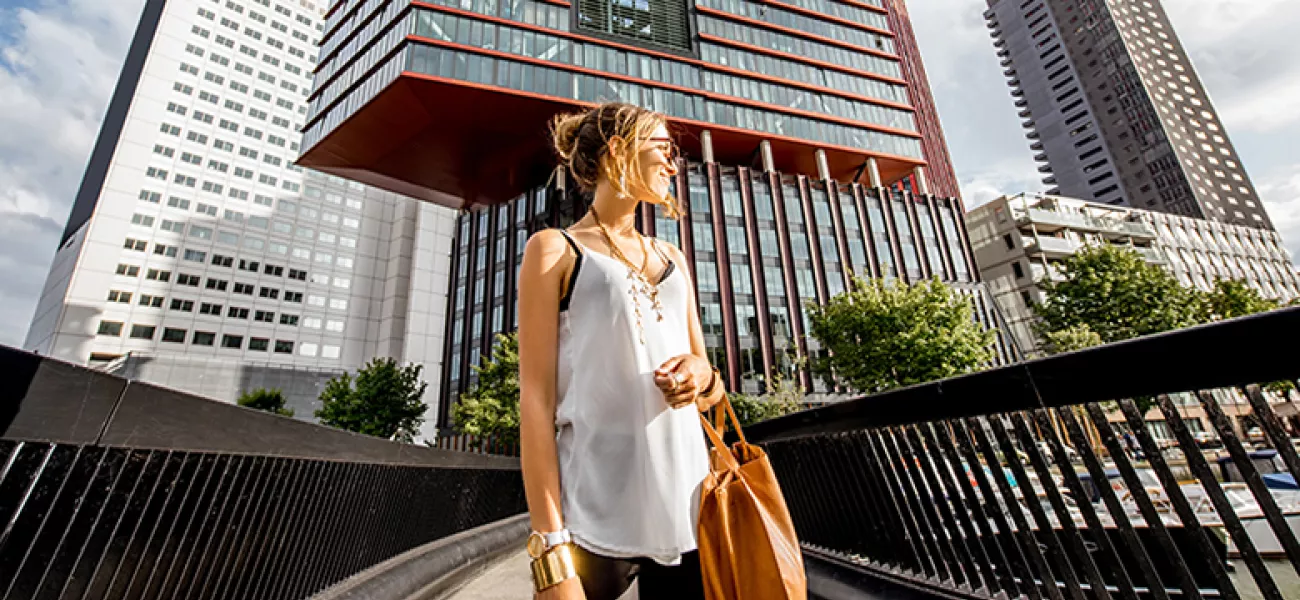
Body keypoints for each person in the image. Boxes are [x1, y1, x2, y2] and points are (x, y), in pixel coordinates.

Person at [517, 102, 726, 600]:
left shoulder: (672, 257)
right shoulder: (555, 249)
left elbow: (710, 386)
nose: (673, 164)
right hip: (593, 520)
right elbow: (535, 403)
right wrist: (550, 552)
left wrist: (701, 375)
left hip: (690, 512)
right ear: (618, 150)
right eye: (663, 149)